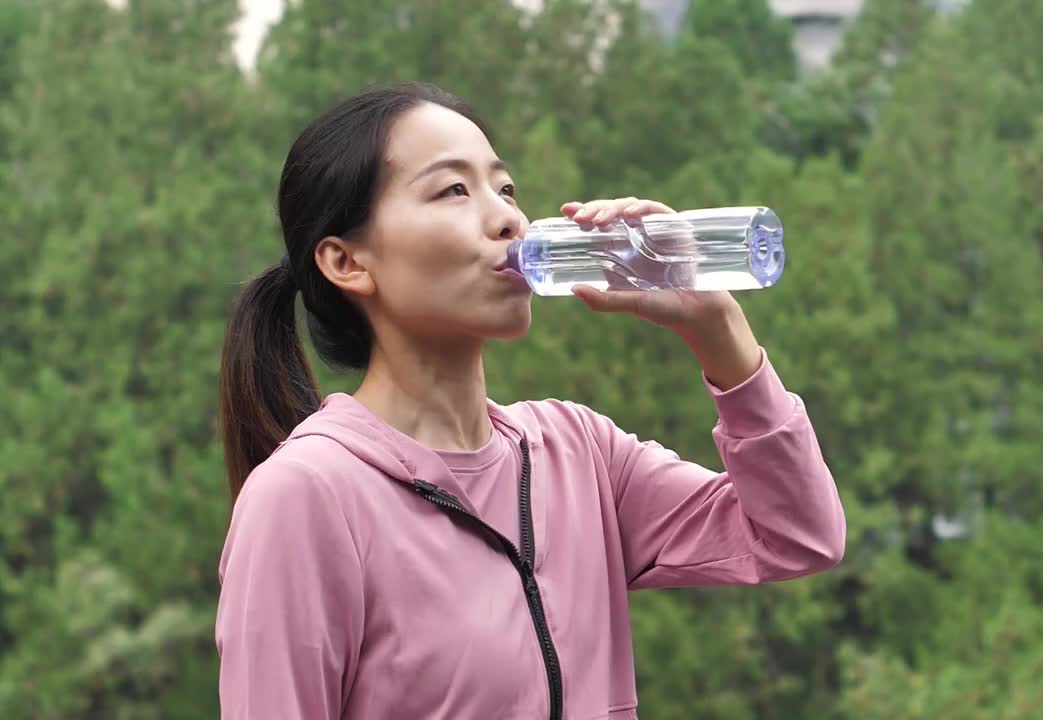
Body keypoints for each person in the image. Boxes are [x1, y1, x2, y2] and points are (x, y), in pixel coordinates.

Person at [214, 81, 846, 720]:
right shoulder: (308, 497)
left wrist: (717, 329)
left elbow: (796, 537)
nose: (509, 218)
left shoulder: (579, 454)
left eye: (505, 188)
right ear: (347, 262)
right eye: (454, 190)